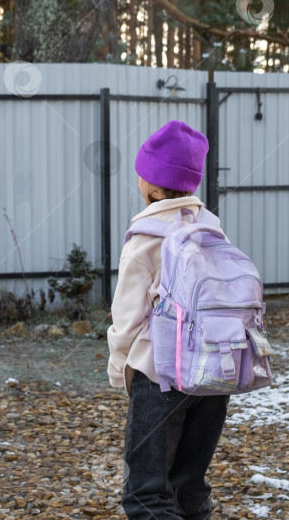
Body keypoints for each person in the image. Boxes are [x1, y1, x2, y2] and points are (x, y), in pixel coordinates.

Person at [107, 120, 229, 520]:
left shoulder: (145, 238)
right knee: (188, 485)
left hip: (160, 374)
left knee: (146, 494)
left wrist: (119, 370)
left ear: (154, 187)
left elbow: (126, 320)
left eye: (143, 173)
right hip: (213, 374)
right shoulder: (212, 229)